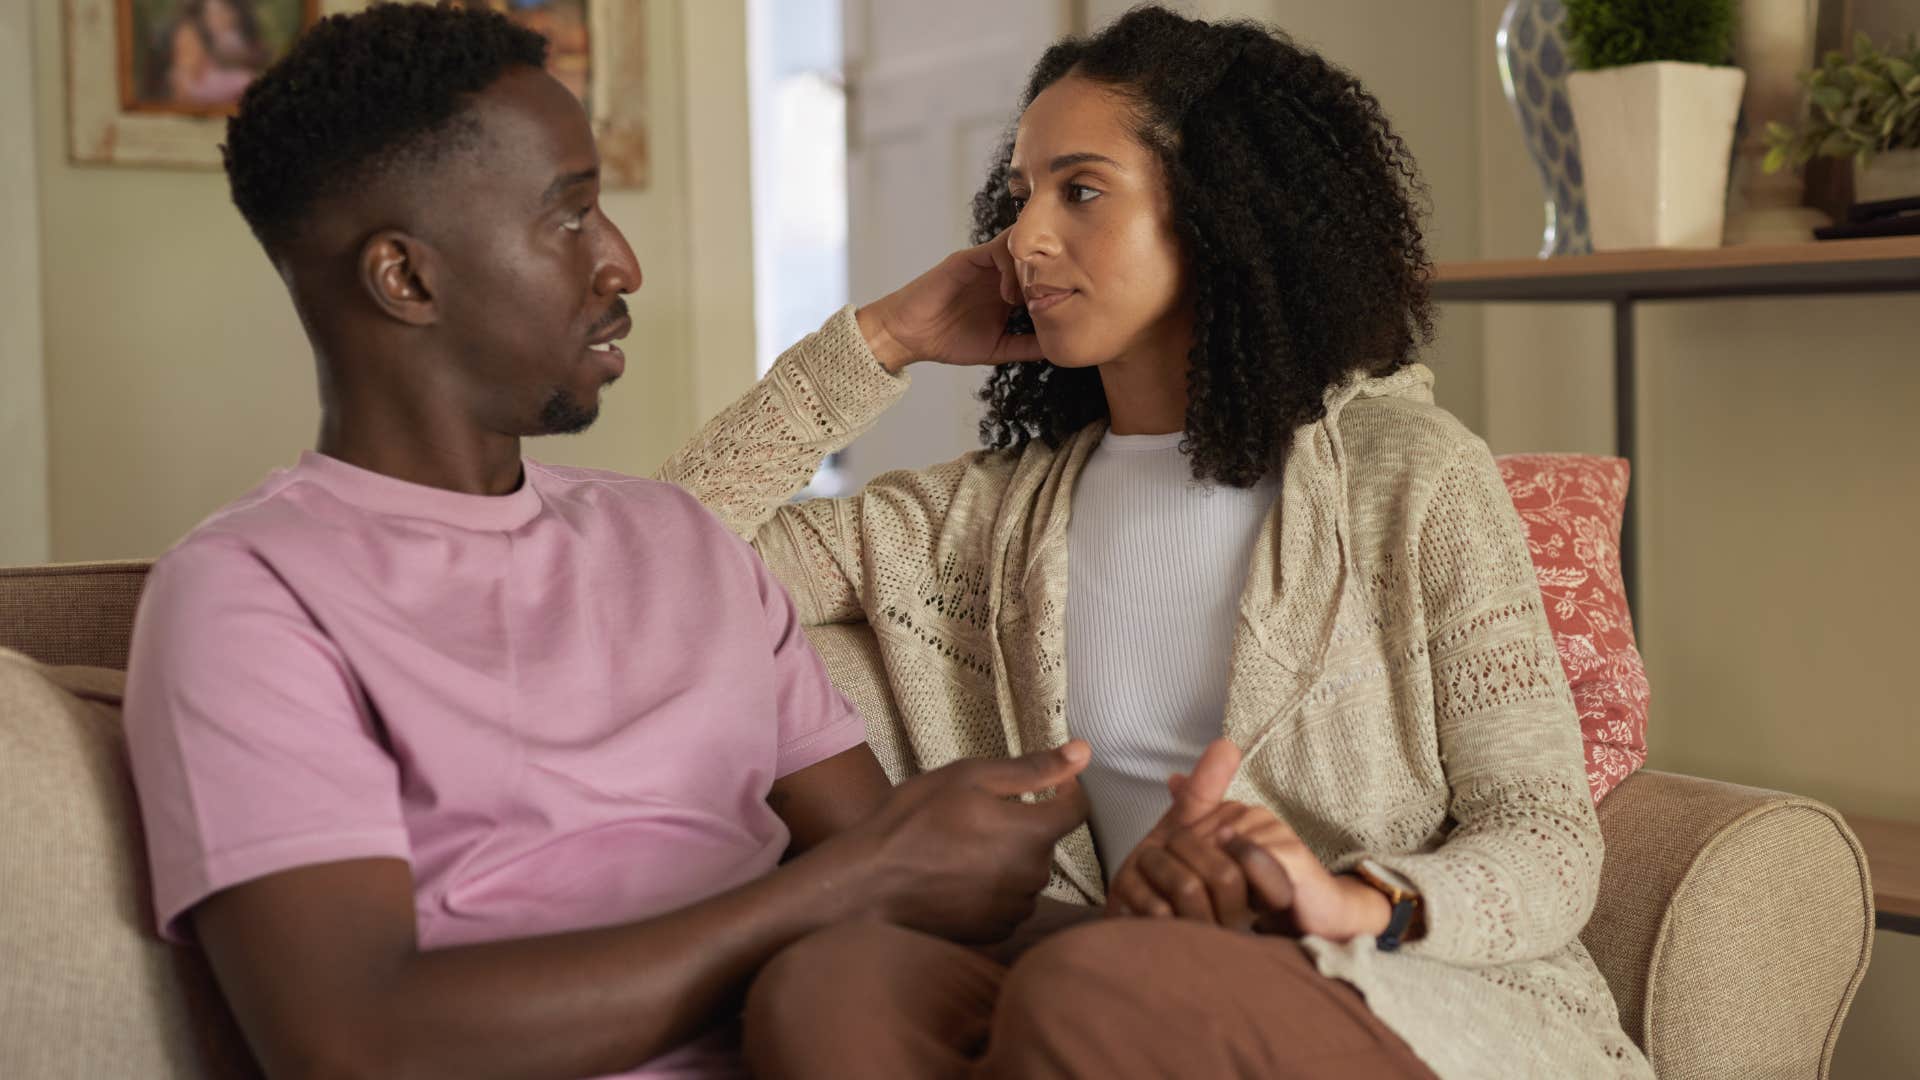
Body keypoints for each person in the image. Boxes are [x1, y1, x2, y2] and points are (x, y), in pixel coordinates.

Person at [659, 6, 1654, 1078]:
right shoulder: (976, 523)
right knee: (832, 985)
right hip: (1098, 971)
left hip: (1390, 993)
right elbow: (657, 579)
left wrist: (1354, 898)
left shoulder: (1412, 478)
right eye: (1020, 196)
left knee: (1092, 990)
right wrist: (881, 341)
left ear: (1219, 214)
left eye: (1079, 190)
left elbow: (1546, 834)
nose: (1024, 238)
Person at [121, 6, 1092, 1078]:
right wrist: (844, 890)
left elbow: (914, 890)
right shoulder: (248, 596)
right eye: (569, 216)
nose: (621, 263)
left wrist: (1192, 917)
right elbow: (355, 1041)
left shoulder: (677, 538)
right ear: (406, 279)